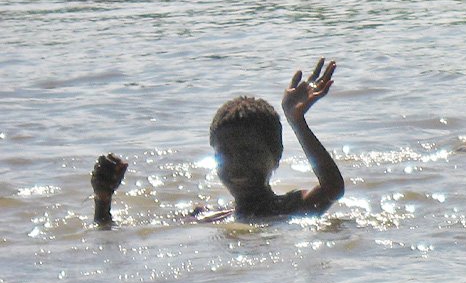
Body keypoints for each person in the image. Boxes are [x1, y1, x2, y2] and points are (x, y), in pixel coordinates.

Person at [90, 59, 345, 227]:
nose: (236, 165)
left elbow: (332, 188)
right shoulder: (206, 217)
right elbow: (114, 233)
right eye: (225, 154)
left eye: (248, 152)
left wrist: (296, 120)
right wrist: (103, 200)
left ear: (276, 156)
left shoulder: (290, 206)